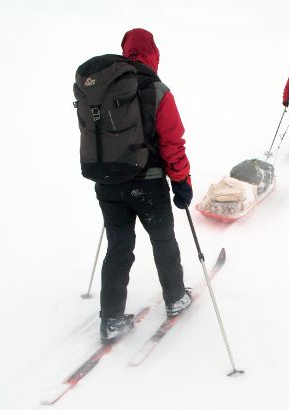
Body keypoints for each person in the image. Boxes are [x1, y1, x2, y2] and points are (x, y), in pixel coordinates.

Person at [94, 28, 194, 344]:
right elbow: (172, 143)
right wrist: (181, 182)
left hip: (108, 185)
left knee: (118, 247)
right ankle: (176, 297)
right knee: (163, 241)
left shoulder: (102, 90)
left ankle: (111, 319)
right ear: (153, 53)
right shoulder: (157, 90)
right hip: (148, 185)